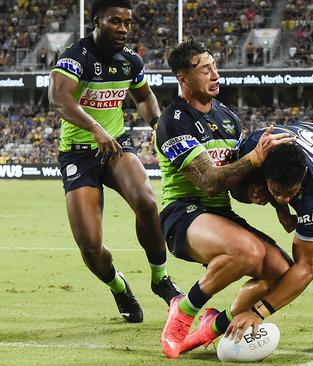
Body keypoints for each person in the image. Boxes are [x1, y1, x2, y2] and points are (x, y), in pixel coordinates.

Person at [155, 40, 294, 358]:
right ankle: (184, 311)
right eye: (205, 70)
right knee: (247, 251)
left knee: (282, 272)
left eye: (214, 66)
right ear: (183, 77)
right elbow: (208, 181)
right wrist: (255, 160)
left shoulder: (229, 120)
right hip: (182, 215)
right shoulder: (173, 121)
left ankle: (214, 326)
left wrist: (257, 193)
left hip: (221, 216)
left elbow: (233, 186)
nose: (215, 74)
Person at [48, 0, 180, 324]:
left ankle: (160, 278)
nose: (123, 29)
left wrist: (158, 126)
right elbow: (59, 98)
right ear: (96, 20)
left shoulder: (131, 61)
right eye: (115, 22)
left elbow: (145, 96)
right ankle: (118, 286)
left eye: (127, 23)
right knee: (91, 248)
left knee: (147, 203)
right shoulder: (75, 57)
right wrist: (94, 128)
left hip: (117, 145)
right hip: (79, 152)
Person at [176, 121, 313, 345]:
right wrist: (264, 199)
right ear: (264, 173)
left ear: (301, 181)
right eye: (275, 192)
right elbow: (235, 190)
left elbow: (305, 269)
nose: (283, 199)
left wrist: (258, 312)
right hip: (294, 139)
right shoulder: (253, 149)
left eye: (290, 194)